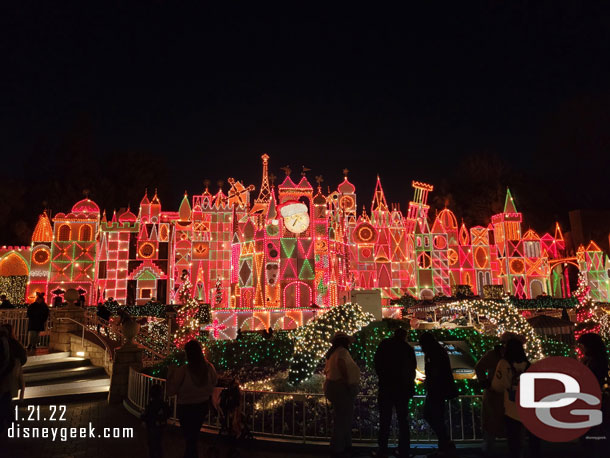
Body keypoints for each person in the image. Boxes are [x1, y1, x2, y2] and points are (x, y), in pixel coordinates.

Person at [167, 339, 217, 458]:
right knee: (192, 437)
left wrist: (170, 375)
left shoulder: (184, 371)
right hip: (202, 406)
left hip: (186, 408)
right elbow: (214, 382)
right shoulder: (209, 368)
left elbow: (171, 391)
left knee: (190, 439)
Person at [492, 338, 539, 458]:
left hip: (512, 408)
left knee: (514, 441)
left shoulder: (503, 364)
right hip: (530, 407)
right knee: (534, 441)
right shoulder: (529, 365)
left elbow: (497, 385)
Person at [474, 332, 520, 454]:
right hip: (495, 395)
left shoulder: (510, 357)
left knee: (508, 425)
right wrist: (486, 383)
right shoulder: (494, 355)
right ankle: (490, 449)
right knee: (492, 425)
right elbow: (479, 367)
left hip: (507, 395)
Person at [374, 327, 416, 458]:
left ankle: (382, 449)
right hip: (402, 390)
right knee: (403, 420)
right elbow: (412, 368)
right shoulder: (407, 349)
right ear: (404, 336)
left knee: (384, 419)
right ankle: (404, 449)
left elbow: (377, 363)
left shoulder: (385, 345)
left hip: (386, 388)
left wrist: (382, 377)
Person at [419, 332, 458, 457]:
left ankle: (445, 444)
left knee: (433, 416)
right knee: (436, 417)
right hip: (438, 390)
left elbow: (435, 373)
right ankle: (445, 444)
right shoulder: (438, 351)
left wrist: (429, 381)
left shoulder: (433, 354)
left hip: (436, 390)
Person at [323, 331, 360, 458]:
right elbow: (341, 365)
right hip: (341, 388)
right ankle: (339, 448)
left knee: (340, 417)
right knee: (343, 418)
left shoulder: (332, 353)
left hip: (332, 386)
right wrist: (346, 381)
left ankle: (343, 445)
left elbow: (326, 370)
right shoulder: (342, 352)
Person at [577, 332, 609, 454]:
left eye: (582, 345)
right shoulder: (594, 360)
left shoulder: (595, 362)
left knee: (591, 432)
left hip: (591, 400)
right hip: (591, 399)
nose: (581, 348)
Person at [0, 323, 27, 436]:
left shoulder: (6, 343)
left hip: (6, 375)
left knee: (4, 400)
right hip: (9, 375)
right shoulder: (11, 342)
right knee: (5, 400)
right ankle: (10, 423)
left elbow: (7, 360)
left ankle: (7, 423)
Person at [141, 383, 171, 458]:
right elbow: (168, 413)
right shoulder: (163, 404)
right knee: (159, 445)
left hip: (151, 427)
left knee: (151, 445)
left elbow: (145, 416)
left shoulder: (150, 405)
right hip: (161, 426)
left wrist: (143, 418)